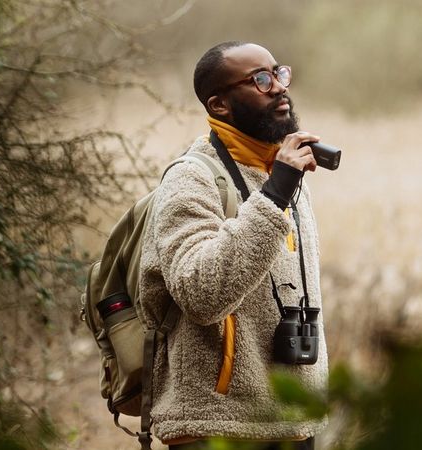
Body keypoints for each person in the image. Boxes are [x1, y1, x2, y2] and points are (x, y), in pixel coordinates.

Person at [138, 41, 328, 450]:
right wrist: (275, 193)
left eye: (279, 73)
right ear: (219, 105)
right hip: (216, 424)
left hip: (294, 419)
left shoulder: (284, 172)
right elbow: (202, 294)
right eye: (260, 80)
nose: (278, 87)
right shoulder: (191, 178)